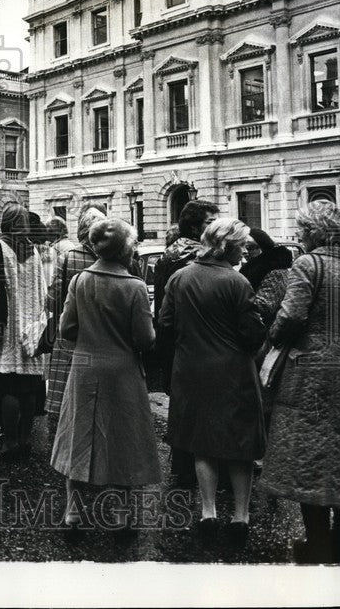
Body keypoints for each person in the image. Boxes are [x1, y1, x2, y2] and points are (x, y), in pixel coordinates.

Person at [258, 200, 340, 564]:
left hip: (312, 375)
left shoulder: (308, 264)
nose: (300, 235)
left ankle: (318, 543)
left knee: (308, 454)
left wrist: (274, 335)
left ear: (314, 233)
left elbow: (291, 315)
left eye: (303, 229)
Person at [160, 218, 266, 549]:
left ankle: (208, 512)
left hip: (191, 370)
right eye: (243, 246)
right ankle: (240, 517)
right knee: (240, 444)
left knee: (202, 442)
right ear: (229, 247)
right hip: (233, 371)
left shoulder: (180, 277)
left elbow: (164, 321)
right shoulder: (237, 283)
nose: (246, 252)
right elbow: (252, 333)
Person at [51, 218, 160, 532]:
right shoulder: (135, 287)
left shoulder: (80, 281)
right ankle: (121, 514)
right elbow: (146, 339)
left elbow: (67, 329)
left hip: (84, 367)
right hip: (123, 371)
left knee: (78, 436)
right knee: (123, 439)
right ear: (126, 249)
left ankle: (73, 512)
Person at [152, 199, 220, 486]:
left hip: (175, 341)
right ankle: (199, 465)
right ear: (194, 226)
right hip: (196, 341)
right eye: (209, 222)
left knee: (182, 404)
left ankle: (183, 464)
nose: (215, 227)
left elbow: (162, 312)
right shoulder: (196, 257)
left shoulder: (169, 253)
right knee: (202, 405)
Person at [0, 204, 48, 459]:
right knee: (27, 388)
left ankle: (9, 442)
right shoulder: (34, 251)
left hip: (4, 330)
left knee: (7, 387)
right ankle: (26, 440)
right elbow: (43, 291)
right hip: (30, 329)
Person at [44, 205, 106, 419]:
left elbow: (52, 298)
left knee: (66, 400)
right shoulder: (110, 257)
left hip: (69, 332)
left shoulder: (69, 257)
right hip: (101, 334)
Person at [240, 229, 295, 331]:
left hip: (265, 332)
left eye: (250, 247)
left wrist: (233, 300)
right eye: (242, 246)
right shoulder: (252, 268)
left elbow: (264, 306)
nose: (245, 251)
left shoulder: (277, 271)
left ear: (263, 247)